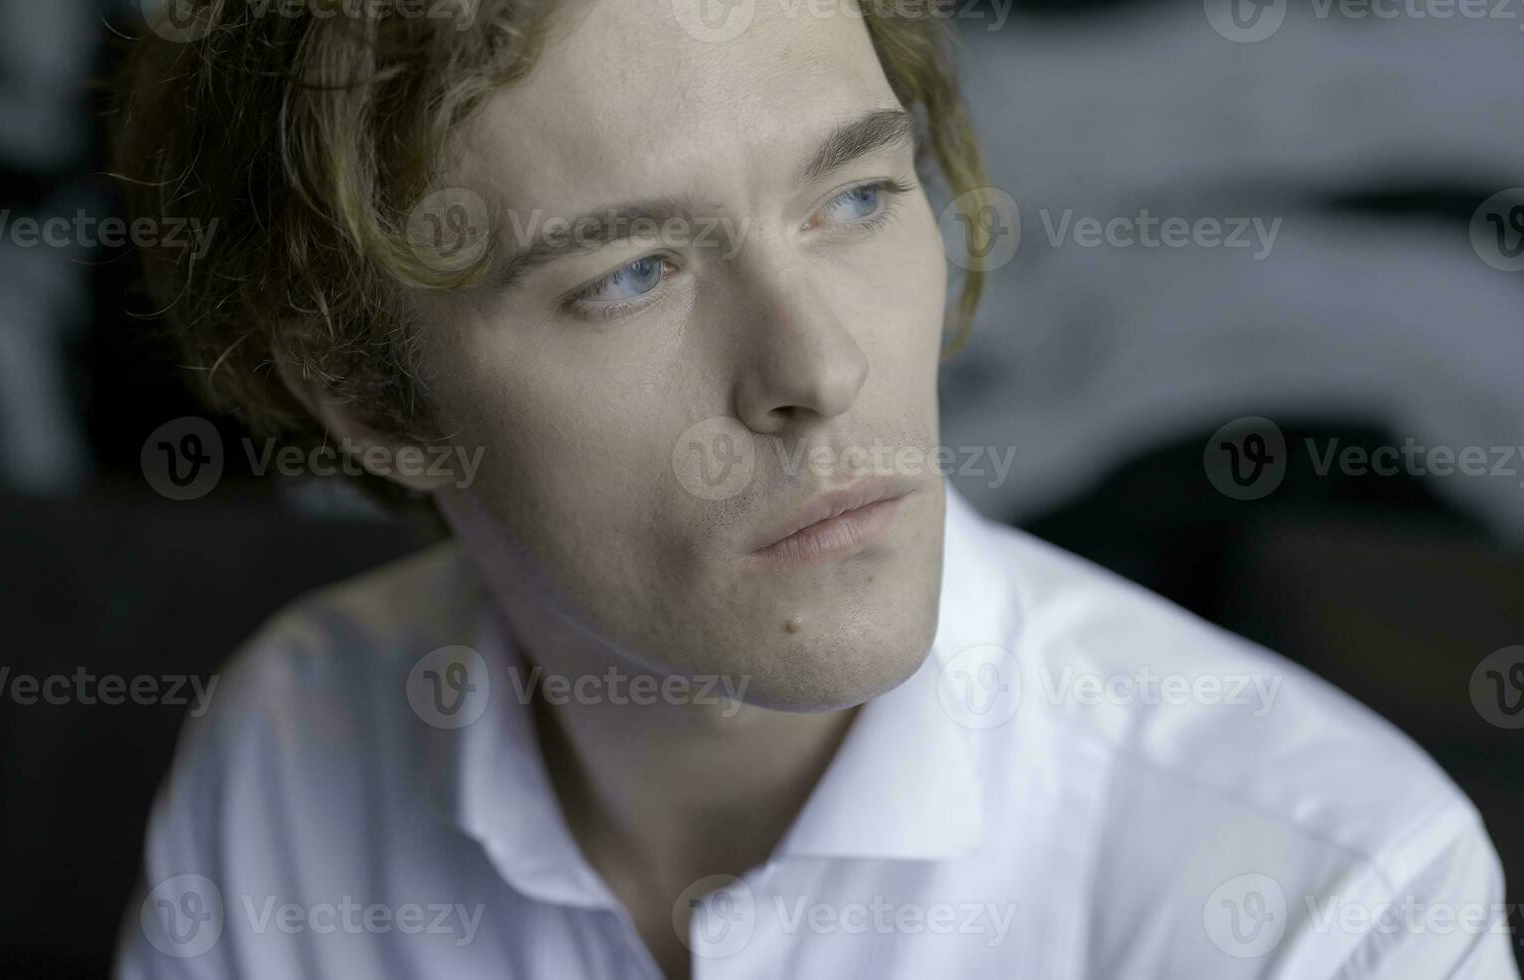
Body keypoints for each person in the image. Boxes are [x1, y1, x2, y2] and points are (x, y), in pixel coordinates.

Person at [111, 1, 1514, 976]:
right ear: (371, 403)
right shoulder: (289, 743)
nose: (820, 368)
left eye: (854, 200)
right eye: (630, 275)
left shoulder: (1333, 900)